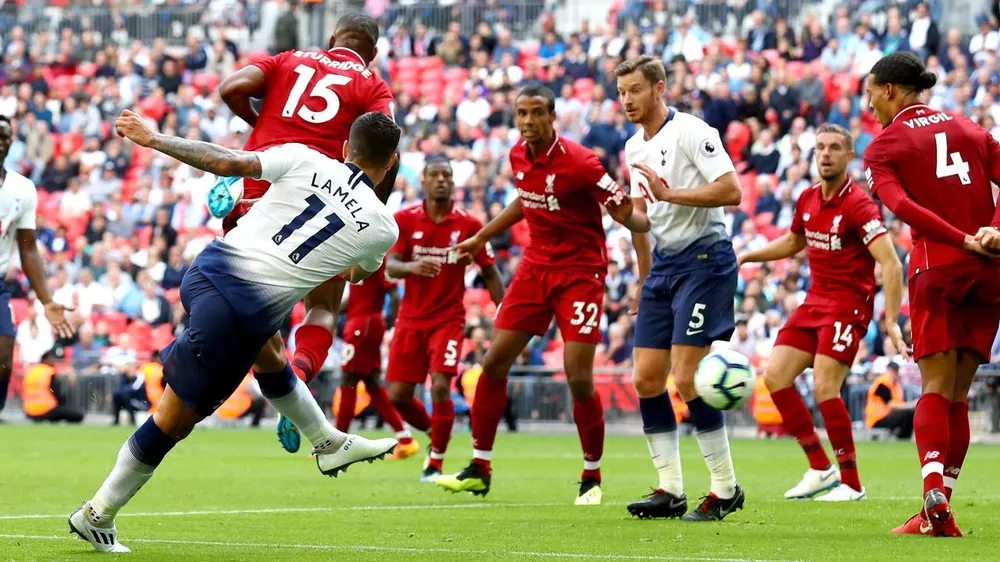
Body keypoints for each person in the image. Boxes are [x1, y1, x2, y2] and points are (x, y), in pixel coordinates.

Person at [68, 110, 401, 554]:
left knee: (272, 355)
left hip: (207, 272)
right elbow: (358, 274)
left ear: (344, 149)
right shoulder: (384, 228)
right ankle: (97, 513)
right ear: (391, 162)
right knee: (174, 420)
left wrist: (154, 138)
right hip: (236, 312)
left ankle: (327, 441)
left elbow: (227, 162)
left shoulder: (306, 157)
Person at [435, 85, 649, 505]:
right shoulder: (517, 155)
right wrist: (481, 236)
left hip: (580, 274)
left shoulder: (583, 163)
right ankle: (479, 467)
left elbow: (624, 213)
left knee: (578, 376)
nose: (528, 121)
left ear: (553, 116)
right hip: (535, 268)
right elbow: (526, 200)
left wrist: (648, 233)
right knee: (494, 362)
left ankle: (591, 475)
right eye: (521, 114)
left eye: (536, 114)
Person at [211, 13, 399, 454]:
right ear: (372, 52)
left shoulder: (291, 58)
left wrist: (258, 124)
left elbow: (230, 88)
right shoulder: (372, 86)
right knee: (322, 308)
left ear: (332, 38)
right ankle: (298, 380)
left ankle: (245, 372)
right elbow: (386, 146)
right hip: (320, 199)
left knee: (244, 292)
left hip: (259, 178)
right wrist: (370, 212)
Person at [863, 51, 1000, 537]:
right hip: (990, 271)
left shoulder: (884, 145)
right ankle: (935, 513)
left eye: (871, 93)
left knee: (935, 390)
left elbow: (899, 204)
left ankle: (932, 489)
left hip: (937, 267)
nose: (870, 104)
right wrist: (992, 230)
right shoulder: (970, 127)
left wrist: (958, 237)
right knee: (959, 396)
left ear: (891, 91)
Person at [738, 124, 905, 502]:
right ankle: (819, 468)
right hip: (814, 302)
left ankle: (852, 484)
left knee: (825, 387)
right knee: (775, 376)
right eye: (820, 148)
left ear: (849, 156)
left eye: (834, 148)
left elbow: (891, 264)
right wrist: (750, 253)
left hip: (848, 305)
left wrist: (891, 320)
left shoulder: (859, 205)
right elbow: (795, 240)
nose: (826, 154)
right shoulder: (808, 198)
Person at [616, 55, 745, 521]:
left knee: (687, 377)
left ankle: (726, 487)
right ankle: (670, 490)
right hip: (665, 266)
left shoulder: (693, 132)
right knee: (647, 379)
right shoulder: (633, 148)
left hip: (706, 260)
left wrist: (670, 194)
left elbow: (731, 191)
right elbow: (641, 217)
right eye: (621, 92)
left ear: (659, 88)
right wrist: (624, 222)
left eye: (634, 89)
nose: (627, 99)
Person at [385, 157, 505, 482]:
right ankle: (435, 431)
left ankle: (435, 460)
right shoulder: (405, 219)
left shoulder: (469, 225)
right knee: (398, 395)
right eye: (434, 175)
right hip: (410, 319)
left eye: (447, 176)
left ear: (454, 182)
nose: (441, 180)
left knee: (440, 387)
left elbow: (490, 271)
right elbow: (391, 266)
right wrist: (412, 267)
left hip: (448, 319)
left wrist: (505, 313)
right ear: (422, 181)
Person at [0, 115, 75, 418]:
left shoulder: (22, 188)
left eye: (5, 136)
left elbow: (28, 249)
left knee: (5, 356)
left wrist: (47, 300)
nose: (0, 142)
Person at [333, 264, 418, 459]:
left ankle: (338, 443)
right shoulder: (360, 256)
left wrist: (397, 327)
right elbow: (355, 299)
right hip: (362, 324)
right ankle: (405, 439)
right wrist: (328, 309)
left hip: (364, 326)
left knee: (348, 380)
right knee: (372, 385)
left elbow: (394, 293)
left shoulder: (376, 258)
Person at [22, 349, 84, 424]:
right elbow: (56, 392)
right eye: (52, 359)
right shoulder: (48, 372)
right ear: (47, 359)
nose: (54, 362)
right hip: (46, 410)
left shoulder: (32, 371)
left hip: (29, 412)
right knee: (78, 415)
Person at [866, 361, 916, 439]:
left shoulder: (896, 385)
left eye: (895, 371)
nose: (894, 374)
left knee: (910, 413)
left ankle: (904, 438)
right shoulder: (882, 383)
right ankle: (902, 438)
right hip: (877, 419)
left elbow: (898, 402)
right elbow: (890, 403)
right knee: (909, 413)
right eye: (892, 371)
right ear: (887, 371)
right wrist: (911, 405)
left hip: (888, 415)